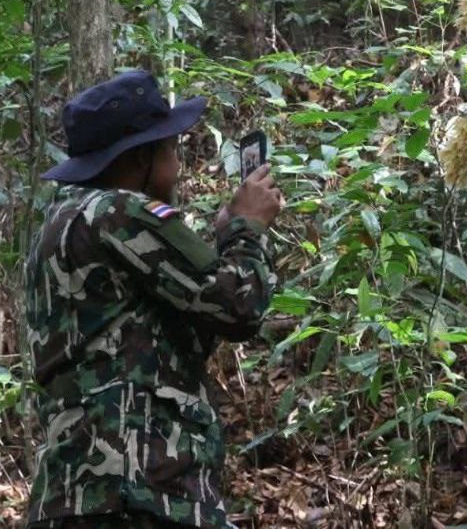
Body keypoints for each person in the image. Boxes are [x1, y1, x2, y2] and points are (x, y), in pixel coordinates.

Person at [24, 69, 283, 529]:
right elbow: (239, 306)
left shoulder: (61, 222)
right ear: (142, 155)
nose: (177, 163)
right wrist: (249, 229)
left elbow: (167, 337)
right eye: (171, 148)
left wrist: (224, 238)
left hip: (72, 493)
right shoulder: (120, 211)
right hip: (139, 487)